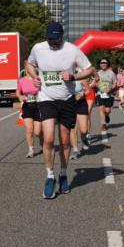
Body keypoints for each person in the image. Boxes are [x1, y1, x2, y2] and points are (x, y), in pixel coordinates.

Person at [25, 22, 95, 199]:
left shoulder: (72, 50)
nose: (52, 43)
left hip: (67, 100)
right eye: (50, 40)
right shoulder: (38, 48)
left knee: (65, 141)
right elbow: (29, 63)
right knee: (48, 138)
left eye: (55, 40)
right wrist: (34, 77)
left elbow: (90, 70)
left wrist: (72, 76)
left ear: (62, 36)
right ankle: (50, 176)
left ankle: (63, 173)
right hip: (46, 98)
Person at [16, 69, 42, 157]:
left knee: (37, 132)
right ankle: (31, 149)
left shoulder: (39, 79)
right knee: (29, 129)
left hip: (38, 106)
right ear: (26, 69)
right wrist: (20, 96)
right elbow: (18, 91)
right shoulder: (22, 80)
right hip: (27, 106)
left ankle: (41, 140)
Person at [70, 75, 93, 159]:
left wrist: (82, 94)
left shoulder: (81, 77)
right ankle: (75, 150)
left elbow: (88, 90)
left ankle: (83, 138)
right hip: (69, 104)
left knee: (84, 130)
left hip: (81, 103)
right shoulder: (63, 76)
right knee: (73, 129)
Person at [94, 58, 117, 139]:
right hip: (100, 94)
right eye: (101, 63)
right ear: (100, 64)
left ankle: (107, 116)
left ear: (107, 64)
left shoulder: (111, 73)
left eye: (105, 63)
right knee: (101, 109)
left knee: (107, 110)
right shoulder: (98, 73)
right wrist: (100, 87)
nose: (103, 64)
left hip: (109, 94)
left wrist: (110, 88)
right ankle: (103, 124)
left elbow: (115, 83)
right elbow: (95, 82)